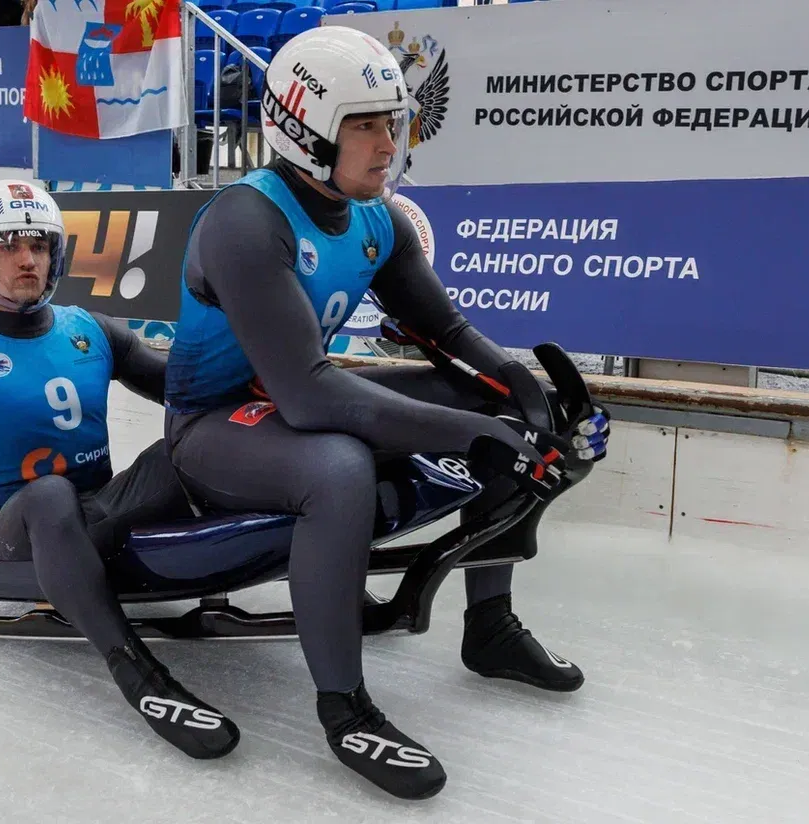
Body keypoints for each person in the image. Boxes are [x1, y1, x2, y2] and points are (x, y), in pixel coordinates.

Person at [162, 28, 610, 800]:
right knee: (337, 470)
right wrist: (476, 435)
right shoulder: (245, 221)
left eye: (393, 122)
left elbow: (452, 335)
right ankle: (344, 706)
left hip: (291, 402)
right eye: (364, 125)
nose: (388, 145)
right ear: (305, 131)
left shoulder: (378, 217)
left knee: (495, 404)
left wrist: (522, 391)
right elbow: (306, 394)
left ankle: (490, 628)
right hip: (212, 428)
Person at [0, 180, 240, 762]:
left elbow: (184, 388)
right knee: (49, 494)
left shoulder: (87, 329)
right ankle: (138, 674)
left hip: (106, 514)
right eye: (9, 245)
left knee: (185, 445)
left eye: (38, 245)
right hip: (24, 534)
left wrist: (251, 347)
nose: (27, 259)